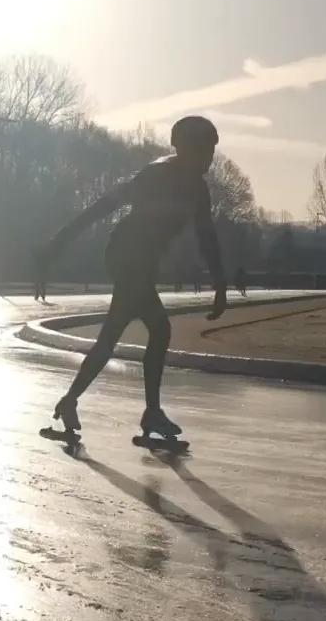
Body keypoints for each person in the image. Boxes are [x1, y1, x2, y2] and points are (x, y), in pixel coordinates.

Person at [33, 114, 228, 440]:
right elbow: (102, 206)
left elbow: (207, 238)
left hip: (144, 263)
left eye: (211, 151)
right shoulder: (156, 175)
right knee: (158, 330)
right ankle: (149, 412)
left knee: (112, 337)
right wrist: (60, 241)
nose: (208, 159)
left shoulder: (198, 189)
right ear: (181, 148)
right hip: (125, 256)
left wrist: (220, 285)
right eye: (203, 151)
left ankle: (71, 401)